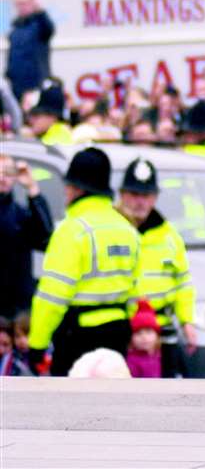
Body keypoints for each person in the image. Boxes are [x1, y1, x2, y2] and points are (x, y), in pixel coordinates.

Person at [28, 147, 142, 376]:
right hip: (118, 334)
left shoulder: (72, 230)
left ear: (76, 188)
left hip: (78, 337)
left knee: (72, 408)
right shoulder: (127, 229)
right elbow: (135, 289)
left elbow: (52, 297)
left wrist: (37, 346)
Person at [116, 157, 197, 377]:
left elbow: (183, 283)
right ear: (122, 195)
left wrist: (187, 321)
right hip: (122, 332)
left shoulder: (169, 237)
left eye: (146, 196)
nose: (140, 202)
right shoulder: (110, 231)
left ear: (155, 198)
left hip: (161, 336)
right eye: (134, 195)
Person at [0, 152, 54, 320]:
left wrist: (32, 189)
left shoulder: (21, 214)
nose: (2, 178)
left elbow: (45, 238)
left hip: (15, 308)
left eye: (8, 173)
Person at [6, 0, 54, 100]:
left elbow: (49, 29)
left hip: (34, 84)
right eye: (18, 4)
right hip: (16, 84)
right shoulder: (16, 27)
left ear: (33, 3)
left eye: (24, 3)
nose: (21, 7)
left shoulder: (40, 25)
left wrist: (40, 11)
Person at [126, 300, 163, 378]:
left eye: (148, 332)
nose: (143, 337)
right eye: (138, 333)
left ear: (157, 336)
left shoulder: (160, 356)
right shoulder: (131, 362)